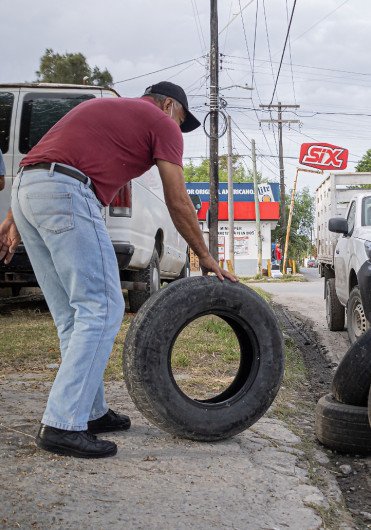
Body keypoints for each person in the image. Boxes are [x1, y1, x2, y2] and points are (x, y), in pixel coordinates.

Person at [0, 81, 237, 459]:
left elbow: (42, 158)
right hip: (67, 192)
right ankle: (62, 424)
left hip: (27, 191)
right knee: (103, 306)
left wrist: (14, 217)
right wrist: (204, 256)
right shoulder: (162, 123)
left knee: (73, 316)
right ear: (168, 104)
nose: (179, 128)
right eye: (182, 118)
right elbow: (178, 199)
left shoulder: (104, 110)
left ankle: (89, 411)